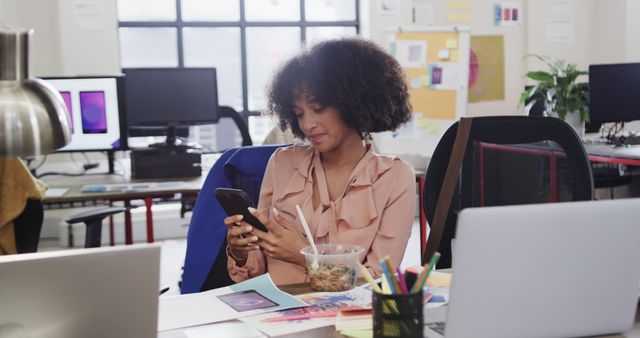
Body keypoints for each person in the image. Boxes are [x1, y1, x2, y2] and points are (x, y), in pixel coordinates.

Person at [225, 38, 416, 285]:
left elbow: (377, 279)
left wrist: (304, 256)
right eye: (299, 114)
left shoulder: (394, 177)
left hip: (349, 317)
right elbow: (258, 266)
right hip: (280, 314)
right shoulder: (282, 163)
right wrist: (241, 253)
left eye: (317, 108)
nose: (306, 125)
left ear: (353, 102)